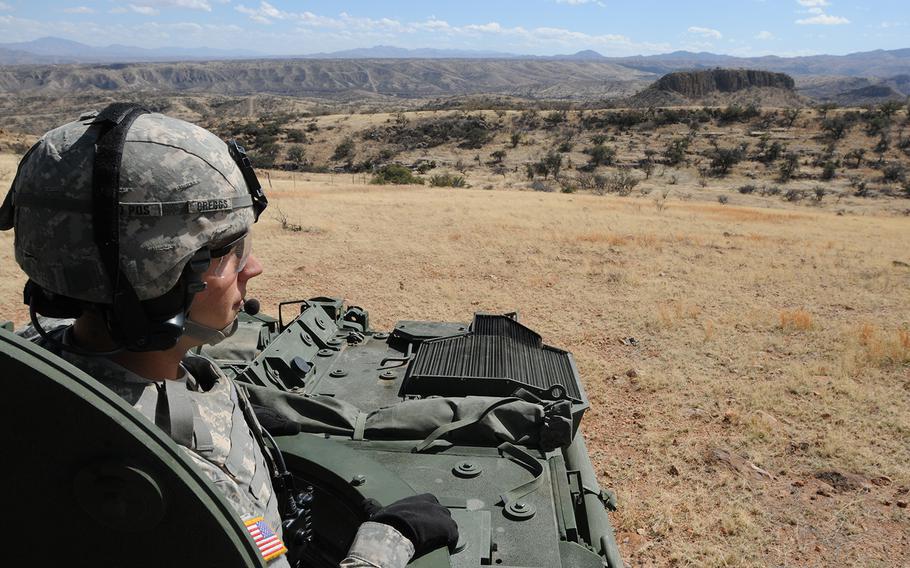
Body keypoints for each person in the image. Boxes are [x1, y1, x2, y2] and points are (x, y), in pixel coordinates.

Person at [0, 104, 457, 568]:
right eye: (229, 253)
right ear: (160, 274)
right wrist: (385, 542)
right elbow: (258, 548)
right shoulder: (184, 482)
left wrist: (226, 414)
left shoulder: (39, 367)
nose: (253, 268)